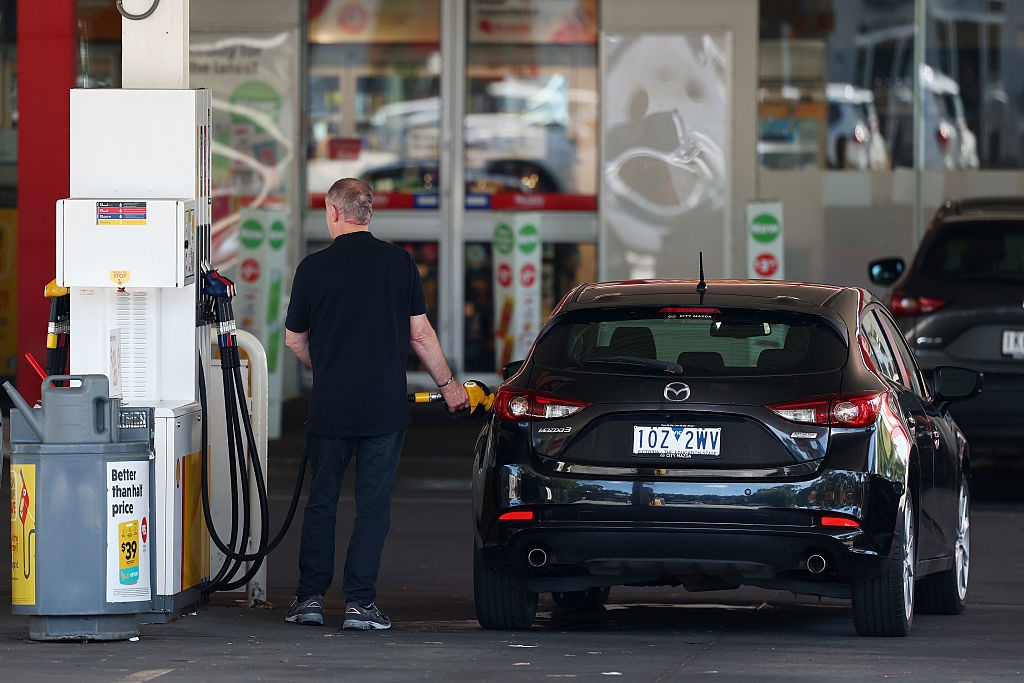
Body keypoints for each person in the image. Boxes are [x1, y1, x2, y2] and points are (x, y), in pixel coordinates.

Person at [283, 178, 469, 630]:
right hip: (384, 410)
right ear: (368, 214)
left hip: (330, 409)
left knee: (321, 503)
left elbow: (294, 340)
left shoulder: (312, 268)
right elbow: (419, 335)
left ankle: (308, 600)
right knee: (372, 508)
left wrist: (326, 369)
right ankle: (359, 605)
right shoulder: (399, 264)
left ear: (333, 212)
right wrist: (450, 388)